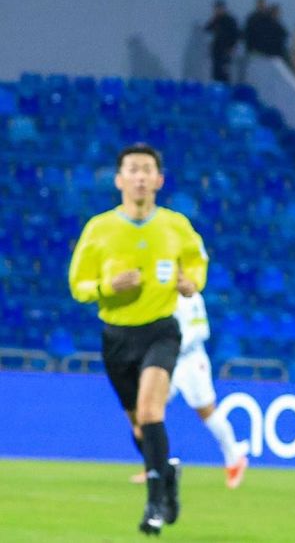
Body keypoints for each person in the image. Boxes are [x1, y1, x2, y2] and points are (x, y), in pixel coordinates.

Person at [68, 143, 208, 535]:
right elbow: (77, 284)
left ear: (159, 180)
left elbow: (197, 259)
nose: (141, 176)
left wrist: (191, 282)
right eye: (133, 169)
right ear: (119, 180)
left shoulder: (175, 225)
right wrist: (105, 286)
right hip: (116, 336)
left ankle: (154, 506)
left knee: (150, 413)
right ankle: (167, 476)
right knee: (138, 426)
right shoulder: (99, 229)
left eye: (148, 169)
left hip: (160, 330)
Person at [130, 292, 249, 489]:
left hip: (191, 360)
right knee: (148, 411)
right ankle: (153, 466)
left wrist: (173, 344)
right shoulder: (159, 292)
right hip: (165, 360)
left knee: (206, 411)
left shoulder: (191, 296)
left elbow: (202, 330)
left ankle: (234, 458)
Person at [204, 0, 239, 83]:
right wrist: (214, 18)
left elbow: (235, 34)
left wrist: (231, 47)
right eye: (216, 9)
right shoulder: (216, 20)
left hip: (226, 50)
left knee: (224, 72)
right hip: (217, 50)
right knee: (216, 72)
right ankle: (217, 89)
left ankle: (225, 90)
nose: (217, 11)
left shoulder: (230, 20)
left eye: (219, 8)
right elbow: (207, 28)